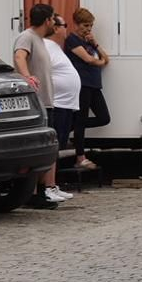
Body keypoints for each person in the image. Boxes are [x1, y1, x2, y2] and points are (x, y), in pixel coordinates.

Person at [13, 3, 63, 208]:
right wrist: (27, 77)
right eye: (54, 19)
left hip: (47, 102)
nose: (55, 24)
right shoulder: (27, 37)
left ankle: (40, 192)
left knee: (46, 147)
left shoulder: (41, 40)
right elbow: (19, 56)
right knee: (40, 147)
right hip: (37, 103)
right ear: (47, 20)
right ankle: (34, 193)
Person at [65, 9, 110, 170]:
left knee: (103, 118)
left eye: (91, 26)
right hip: (82, 84)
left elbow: (106, 58)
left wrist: (95, 43)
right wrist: (101, 62)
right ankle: (80, 157)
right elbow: (88, 59)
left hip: (94, 84)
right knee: (82, 120)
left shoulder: (87, 42)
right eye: (85, 25)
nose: (88, 29)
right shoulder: (72, 40)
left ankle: (70, 125)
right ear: (76, 24)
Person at [46, 15, 82, 196]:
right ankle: (47, 187)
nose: (66, 29)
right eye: (64, 25)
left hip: (66, 104)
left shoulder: (57, 48)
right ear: (55, 28)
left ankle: (52, 185)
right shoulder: (46, 46)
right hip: (57, 103)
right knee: (53, 146)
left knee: (59, 146)